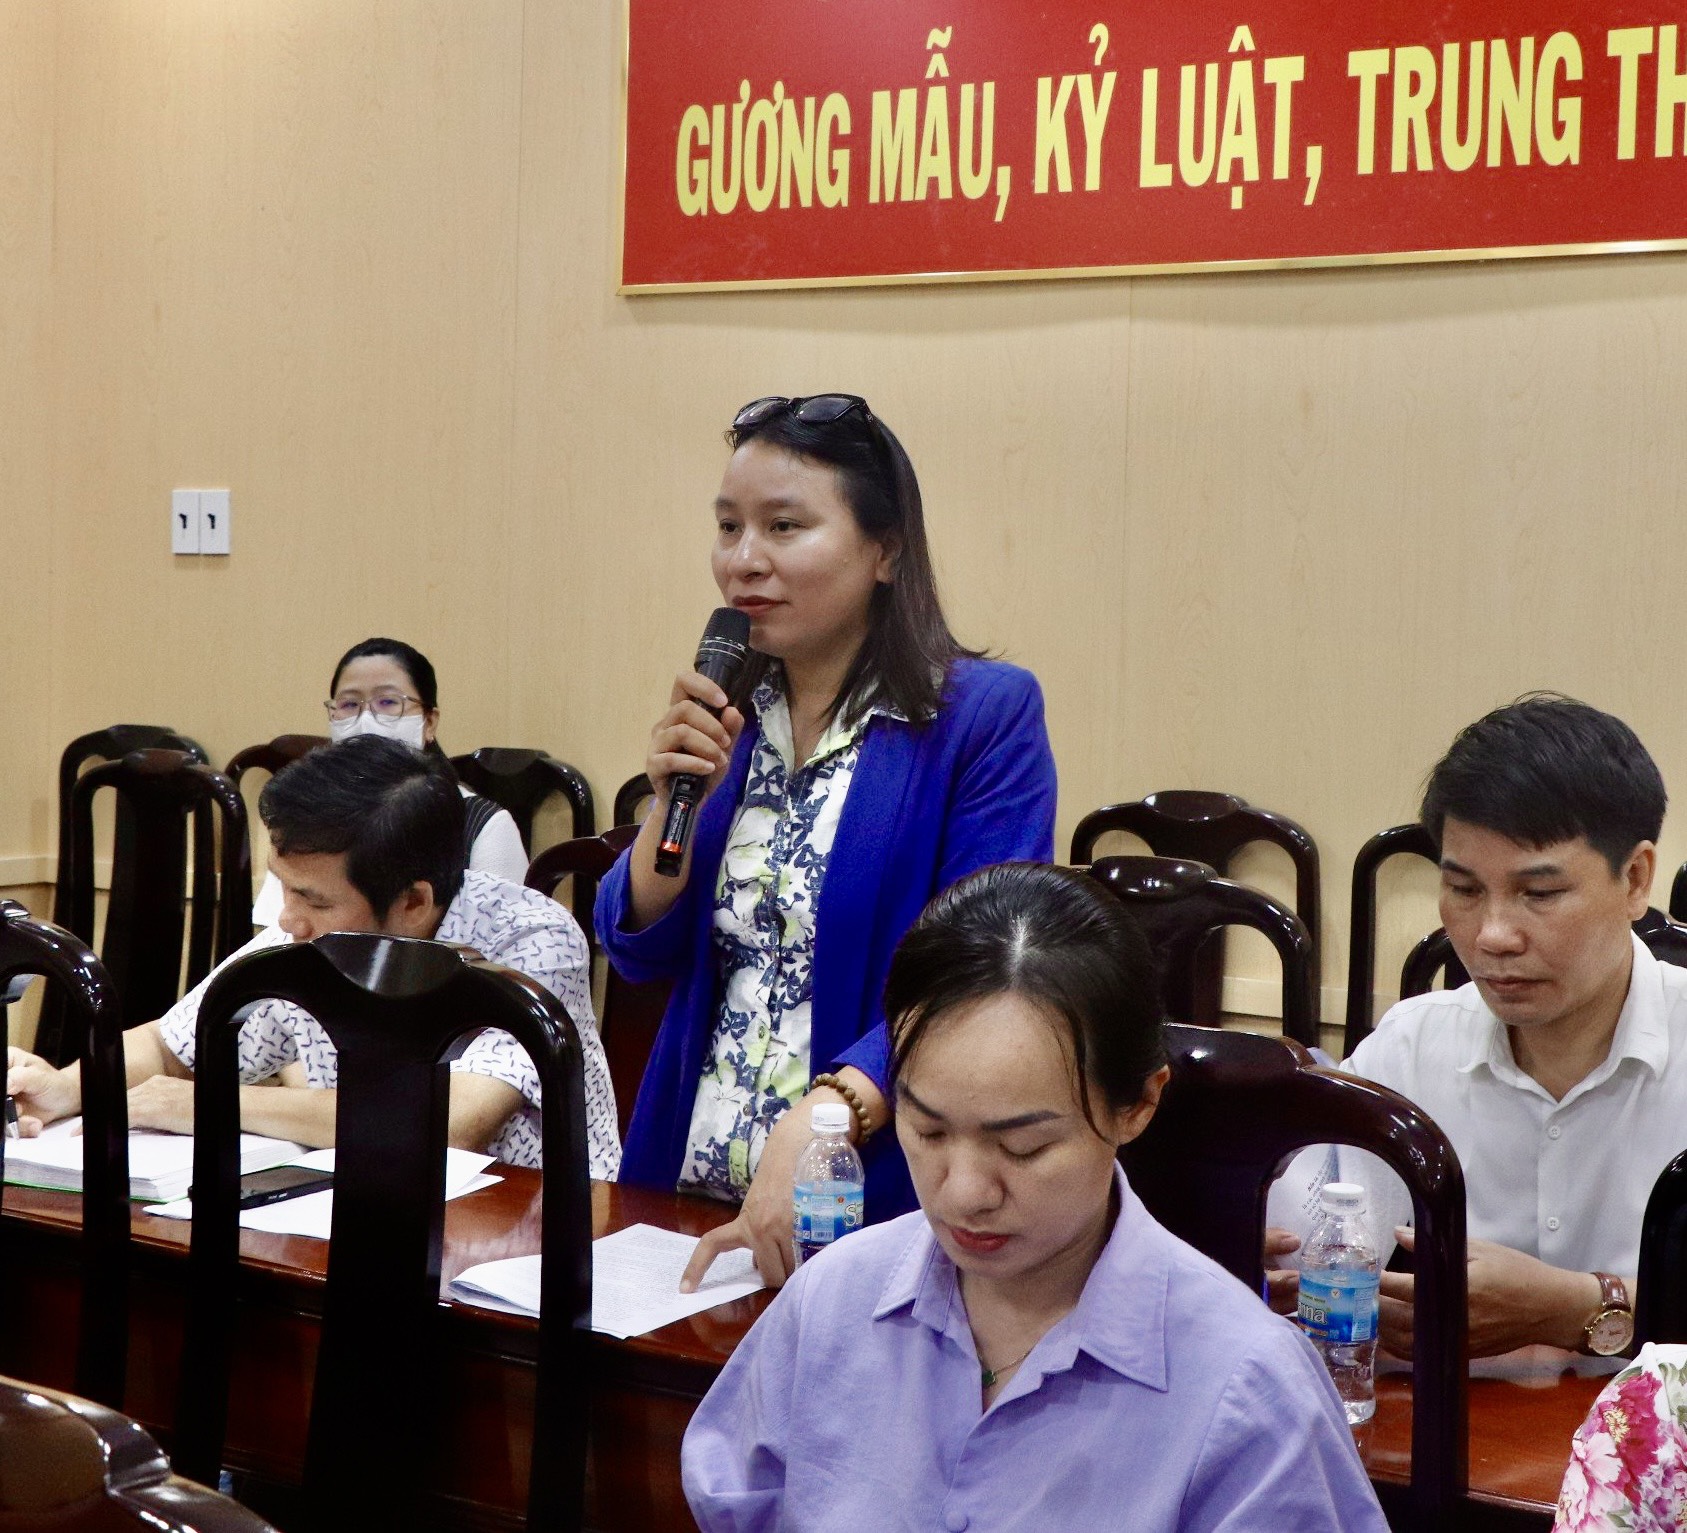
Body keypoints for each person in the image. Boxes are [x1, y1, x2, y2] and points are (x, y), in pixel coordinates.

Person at [682, 863, 1387, 1532]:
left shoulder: (1245, 1386)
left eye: (1021, 1146)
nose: (963, 1192)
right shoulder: (830, 1304)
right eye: (925, 1128)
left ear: (1136, 1104)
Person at [594, 393, 1057, 1289]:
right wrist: (668, 803)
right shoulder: (728, 710)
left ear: (884, 550)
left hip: (865, 1196)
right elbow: (635, 946)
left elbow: (986, 974)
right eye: (728, 527)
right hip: (684, 1193)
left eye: (783, 526)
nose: (743, 560)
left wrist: (831, 1112)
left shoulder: (979, 717)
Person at [1273, 694, 1681, 1358]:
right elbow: (1307, 1232)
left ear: (1634, 879)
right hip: (1437, 1444)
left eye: (1538, 893)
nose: (1492, 935)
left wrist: (1579, 1306)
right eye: (1462, 890)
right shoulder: (1408, 1047)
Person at [8, 735, 620, 1177]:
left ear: (413, 902)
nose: (286, 918)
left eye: (310, 897)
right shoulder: (307, 934)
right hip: (354, 1216)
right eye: (283, 884)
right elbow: (173, 1046)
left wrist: (210, 1105)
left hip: (537, 1237)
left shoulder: (533, 938)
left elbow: (451, 1122)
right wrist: (66, 1088)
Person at [249, 636, 527, 925]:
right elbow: (275, 934)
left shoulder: (484, 826)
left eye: (387, 702)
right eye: (348, 704)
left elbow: (492, 949)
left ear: (429, 721)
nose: (366, 719)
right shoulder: (308, 817)